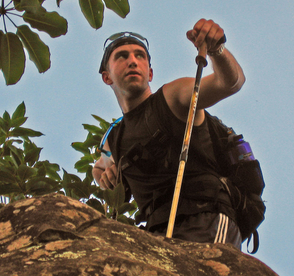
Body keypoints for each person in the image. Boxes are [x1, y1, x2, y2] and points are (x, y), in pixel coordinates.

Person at [92, 19, 246, 249]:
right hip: (158, 232)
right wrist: (106, 177)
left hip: (207, 218)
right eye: (122, 56)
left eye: (139, 56)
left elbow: (230, 83)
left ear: (150, 73)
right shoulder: (116, 137)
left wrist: (217, 50)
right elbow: (98, 168)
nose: (132, 61)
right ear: (107, 77)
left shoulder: (173, 97)